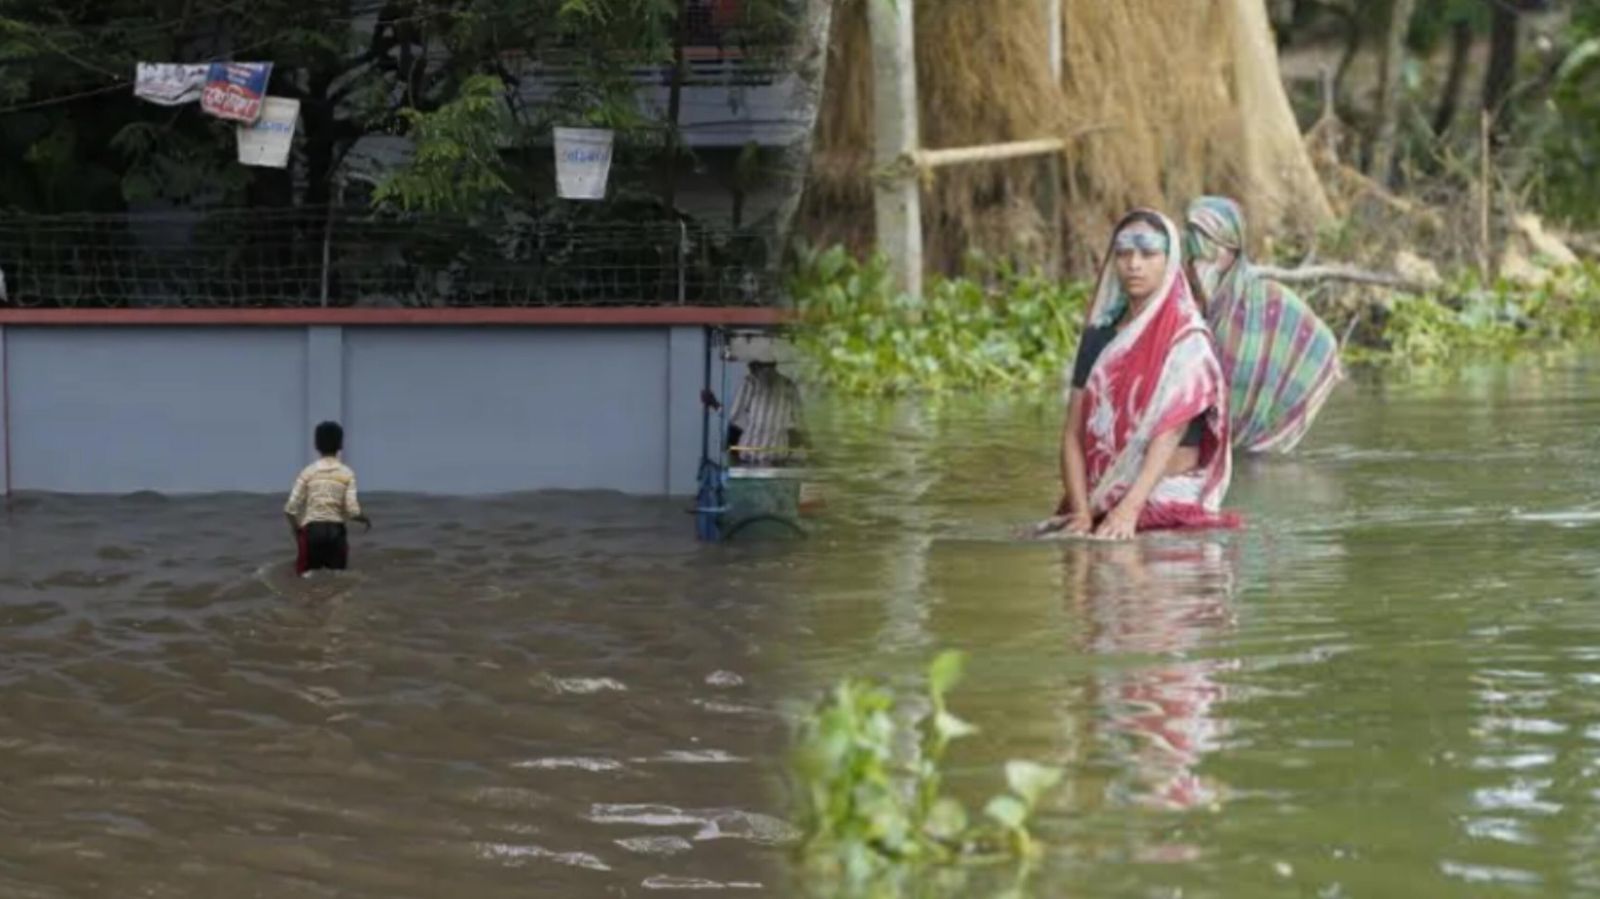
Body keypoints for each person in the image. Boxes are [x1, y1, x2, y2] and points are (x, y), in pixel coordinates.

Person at [1034, 209, 1238, 540]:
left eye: (1148, 253)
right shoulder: (1098, 338)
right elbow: (1072, 434)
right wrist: (1082, 511)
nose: (1134, 264)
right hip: (1099, 497)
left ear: (1169, 262)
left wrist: (1128, 509)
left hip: (1169, 494)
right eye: (1124, 253)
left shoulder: (1188, 341)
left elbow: (1168, 435)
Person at [1183, 196, 1343, 454]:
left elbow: (1318, 343)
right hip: (1189, 448)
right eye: (1194, 238)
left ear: (1234, 248)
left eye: (1214, 242)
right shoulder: (1177, 301)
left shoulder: (1267, 299)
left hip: (1257, 448)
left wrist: (1279, 417)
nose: (1203, 251)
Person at [284, 421, 370, 576]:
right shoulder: (347, 473)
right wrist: (365, 519)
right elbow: (352, 511)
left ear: (316, 445)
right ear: (341, 445)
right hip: (336, 534)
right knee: (337, 582)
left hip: (312, 533)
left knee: (305, 583)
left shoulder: (308, 472)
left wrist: (297, 530)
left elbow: (290, 509)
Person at [726, 360, 807, 466]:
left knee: (732, 431)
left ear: (755, 364)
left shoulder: (751, 381)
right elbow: (801, 422)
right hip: (778, 454)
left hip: (751, 454)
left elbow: (732, 415)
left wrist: (715, 405)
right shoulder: (789, 384)